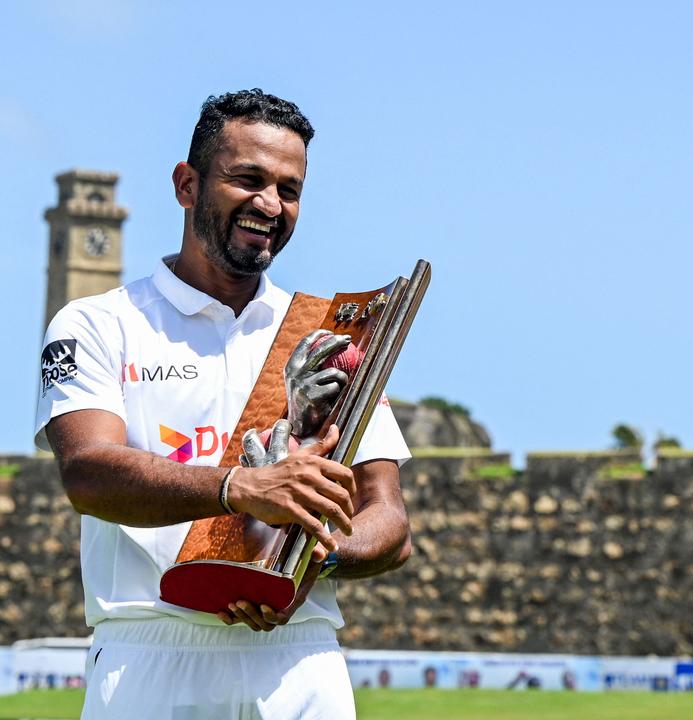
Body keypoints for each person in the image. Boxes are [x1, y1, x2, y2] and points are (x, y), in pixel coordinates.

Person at [35, 89, 412, 719]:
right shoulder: (99, 323)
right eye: (248, 179)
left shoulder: (329, 335)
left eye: (289, 189)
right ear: (187, 185)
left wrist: (316, 558)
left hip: (299, 659)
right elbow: (88, 474)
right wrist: (239, 488)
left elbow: (390, 522)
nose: (269, 204)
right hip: (149, 653)